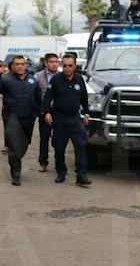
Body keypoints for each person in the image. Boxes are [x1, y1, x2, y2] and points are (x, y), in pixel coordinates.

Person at [0, 56, 42, 186]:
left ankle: (17, 160)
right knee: (13, 146)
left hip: (28, 118)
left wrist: (39, 113)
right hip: (12, 117)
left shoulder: (32, 80)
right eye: (17, 64)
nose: (20, 66)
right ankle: (16, 173)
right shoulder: (6, 79)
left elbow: (38, 98)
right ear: (12, 66)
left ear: (26, 65)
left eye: (22, 64)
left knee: (23, 145)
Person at [42, 54, 92, 187]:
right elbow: (47, 98)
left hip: (75, 119)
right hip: (59, 119)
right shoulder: (56, 79)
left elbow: (84, 98)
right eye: (64, 66)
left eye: (70, 65)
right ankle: (61, 173)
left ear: (75, 66)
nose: (67, 68)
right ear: (61, 66)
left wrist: (86, 112)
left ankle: (81, 176)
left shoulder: (79, 79)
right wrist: (47, 112)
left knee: (81, 146)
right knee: (59, 148)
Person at [34, 53, 60, 172]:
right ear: (46, 63)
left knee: (58, 138)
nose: (54, 64)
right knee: (44, 138)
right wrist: (40, 111)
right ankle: (43, 162)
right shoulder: (38, 77)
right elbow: (34, 95)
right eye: (51, 62)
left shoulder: (62, 76)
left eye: (56, 61)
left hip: (59, 112)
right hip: (44, 112)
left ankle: (59, 162)